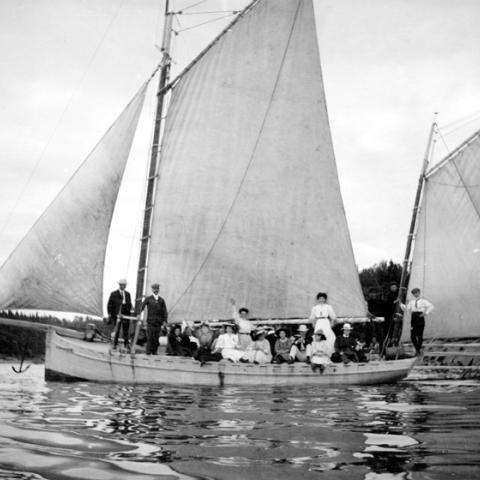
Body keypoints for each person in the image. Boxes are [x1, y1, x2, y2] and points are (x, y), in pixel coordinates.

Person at [401, 287, 434, 356]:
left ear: (419, 292)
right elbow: (407, 309)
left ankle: (418, 350)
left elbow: (431, 306)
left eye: (416, 293)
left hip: (420, 317)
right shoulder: (411, 302)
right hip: (414, 318)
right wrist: (401, 304)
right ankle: (417, 349)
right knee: (413, 336)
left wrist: (425, 313)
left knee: (420, 335)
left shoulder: (423, 301)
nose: (415, 294)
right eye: (414, 293)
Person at [140, 283, 168, 355]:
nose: (156, 290)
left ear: (158, 290)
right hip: (150, 322)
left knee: (156, 338)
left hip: (158, 323)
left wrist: (165, 320)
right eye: (154, 289)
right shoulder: (148, 299)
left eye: (157, 289)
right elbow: (141, 307)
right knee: (150, 338)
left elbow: (165, 311)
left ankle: (154, 352)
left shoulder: (161, 300)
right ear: (152, 290)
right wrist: (138, 314)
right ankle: (148, 352)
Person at [107, 278, 133, 351]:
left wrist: (130, 311)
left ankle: (126, 344)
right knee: (116, 330)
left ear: (125, 286)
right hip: (116, 315)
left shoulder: (128, 294)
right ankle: (114, 344)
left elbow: (129, 304)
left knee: (125, 331)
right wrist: (109, 314)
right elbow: (109, 305)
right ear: (119, 285)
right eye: (121, 285)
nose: (123, 286)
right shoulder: (114, 294)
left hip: (126, 315)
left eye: (124, 285)